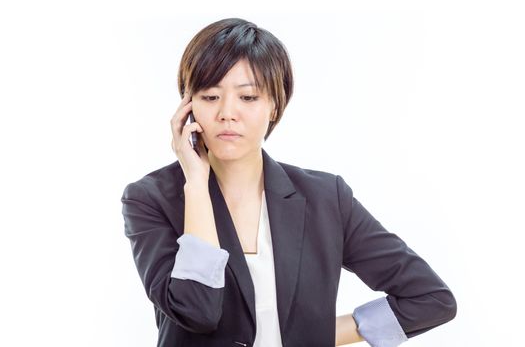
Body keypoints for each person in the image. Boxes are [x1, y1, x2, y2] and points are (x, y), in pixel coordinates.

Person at [121, 17, 457, 347]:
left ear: (274, 104)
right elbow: (197, 311)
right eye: (210, 96)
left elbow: (429, 299)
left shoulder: (326, 198)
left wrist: (316, 336)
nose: (227, 112)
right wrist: (195, 185)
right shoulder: (150, 200)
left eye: (248, 97)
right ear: (188, 106)